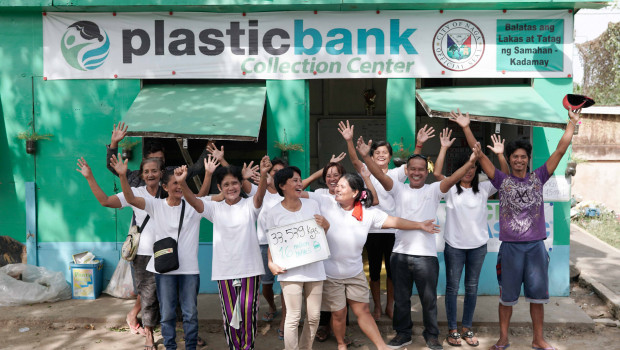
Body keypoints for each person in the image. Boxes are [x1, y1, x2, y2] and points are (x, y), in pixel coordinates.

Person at [450, 108, 581, 350]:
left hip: (535, 248)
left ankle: (538, 339)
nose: (519, 160)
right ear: (509, 160)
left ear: (528, 159)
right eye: (515, 157)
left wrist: (571, 124)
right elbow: (479, 156)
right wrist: (466, 127)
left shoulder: (539, 177)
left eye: (523, 156)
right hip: (510, 249)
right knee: (506, 298)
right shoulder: (502, 181)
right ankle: (503, 339)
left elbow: (560, 150)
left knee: (538, 298)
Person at [360, 136, 481, 350]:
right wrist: (365, 157)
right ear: (406, 171)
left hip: (426, 257)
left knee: (429, 301)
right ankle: (403, 334)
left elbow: (453, 178)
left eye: (421, 170)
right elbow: (378, 173)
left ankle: (432, 335)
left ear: (426, 172)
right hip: (400, 253)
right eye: (413, 169)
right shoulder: (398, 189)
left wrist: (471, 162)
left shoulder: (433, 190)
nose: (416, 173)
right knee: (402, 299)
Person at [303, 173, 440, 350]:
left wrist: (420, 225)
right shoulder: (324, 201)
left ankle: (381, 346)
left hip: (354, 272)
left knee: (363, 311)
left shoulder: (368, 213)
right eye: (337, 185)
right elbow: (296, 191)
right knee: (339, 313)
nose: (336, 188)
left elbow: (395, 221)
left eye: (342, 186)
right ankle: (341, 344)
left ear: (355, 193)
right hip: (331, 273)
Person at [111, 154, 211, 350]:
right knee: (166, 314)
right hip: (164, 271)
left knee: (190, 313)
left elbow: (206, 195)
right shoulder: (156, 205)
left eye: (181, 182)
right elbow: (130, 198)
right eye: (174, 183)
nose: (178, 186)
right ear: (165, 187)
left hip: (189, 271)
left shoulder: (193, 207)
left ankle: (190, 346)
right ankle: (170, 346)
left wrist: (208, 173)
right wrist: (123, 176)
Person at [338, 120, 435, 320]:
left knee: (392, 273)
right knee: (374, 272)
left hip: (393, 230)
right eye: (377, 152)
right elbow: (356, 161)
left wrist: (419, 144)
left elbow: (413, 164)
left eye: (385, 152)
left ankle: (390, 305)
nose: (381, 155)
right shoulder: (366, 171)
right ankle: (376, 307)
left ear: (390, 157)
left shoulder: (396, 174)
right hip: (372, 230)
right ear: (372, 156)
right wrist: (349, 140)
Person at [178, 156, 271, 350]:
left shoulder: (249, 206)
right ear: (219, 188)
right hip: (225, 272)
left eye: (235, 183)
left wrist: (262, 175)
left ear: (240, 184)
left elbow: (260, 197)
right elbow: (194, 202)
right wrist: (181, 183)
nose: (231, 187)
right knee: (230, 317)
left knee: (247, 314)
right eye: (226, 184)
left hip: (250, 270)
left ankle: (247, 347)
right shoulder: (214, 208)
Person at [77, 156, 165, 350]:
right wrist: (90, 177)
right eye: (146, 171)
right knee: (149, 296)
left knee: (167, 296)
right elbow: (105, 201)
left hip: (167, 253)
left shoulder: (168, 192)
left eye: (154, 171)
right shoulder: (134, 192)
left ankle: (170, 332)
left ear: (161, 173)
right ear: (142, 175)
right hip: (143, 254)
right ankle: (149, 334)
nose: (150, 174)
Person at [432, 129, 508, 346]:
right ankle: (453, 330)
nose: (469, 170)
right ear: (459, 169)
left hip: (478, 247)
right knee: (452, 288)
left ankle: (467, 328)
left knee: (472, 288)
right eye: (466, 166)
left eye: (473, 166)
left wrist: (500, 155)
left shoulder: (484, 188)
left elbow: (503, 178)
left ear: (477, 169)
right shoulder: (450, 189)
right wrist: (443, 147)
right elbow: (437, 174)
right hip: (454, 247)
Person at [265, 166, 330, 350]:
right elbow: (273, 243)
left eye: (300, 179)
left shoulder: (312, 205)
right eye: (294, 180)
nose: (300, 183)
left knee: (314, 316)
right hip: (290, 272)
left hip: (315, 269)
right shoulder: (274, 213)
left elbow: (321, 234)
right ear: (282, 186)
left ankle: (305, 348)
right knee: (293, 317)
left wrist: (326, 225)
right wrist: (271, 263)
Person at [106, 122, 207, 187]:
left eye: (160, 159)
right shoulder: (135, 177)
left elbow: (197, 168)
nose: (158, 163)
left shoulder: (173, 174)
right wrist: (114, 142)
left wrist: (211, 144)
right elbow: (112, 166)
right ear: (144, 160)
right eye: (153, 160)